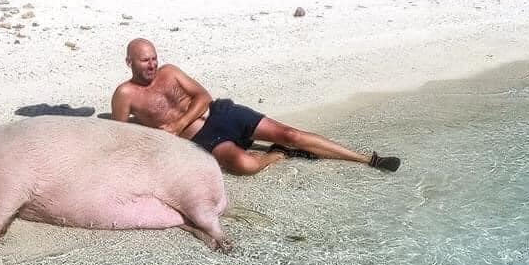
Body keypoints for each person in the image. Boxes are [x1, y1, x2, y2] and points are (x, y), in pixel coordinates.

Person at [111, 38, 401, 175]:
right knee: (245, 165)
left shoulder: (170, 72)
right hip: (204, 138)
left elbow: (203, 97)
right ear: (129, 62)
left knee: (291, 134)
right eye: (144, 60)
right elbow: (120, 136)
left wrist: (175, 125)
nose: (151, 65)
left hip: (222, 114)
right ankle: (277, 156)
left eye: (153, 58)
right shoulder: (125, 94)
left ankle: (367, 159)